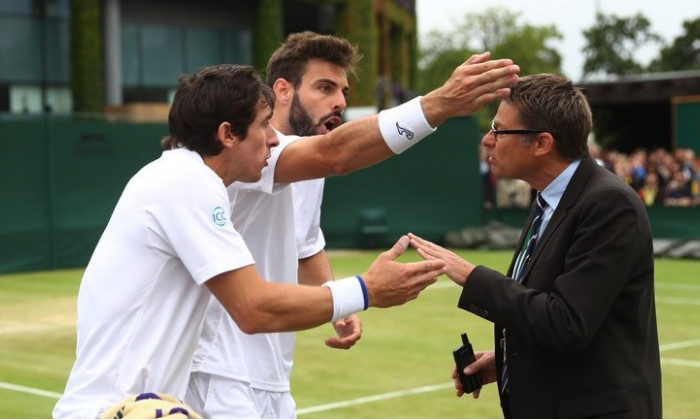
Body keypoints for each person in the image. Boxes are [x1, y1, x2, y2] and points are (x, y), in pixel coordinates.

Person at [54, 51, 520, 418]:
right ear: (227, 134)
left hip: (147, 406)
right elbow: (253, 308)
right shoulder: (186, 181)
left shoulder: (195, 177)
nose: (274, 139)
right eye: (263, 128)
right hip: (117, 409)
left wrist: (345, 293)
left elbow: (305, 242)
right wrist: (364, 290)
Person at [409, 74, 662, 418]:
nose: (487, 140)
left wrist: (471, 277)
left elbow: (566, 323)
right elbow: (546, 312)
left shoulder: (608, 204)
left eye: (499, 130)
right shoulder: (551, 199)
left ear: (542, 143)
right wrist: (505, 362)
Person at [187, 32, 363, 418]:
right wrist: (437, 106)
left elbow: (306, 244)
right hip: (217, 367)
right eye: (325, 87)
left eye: (343, 91)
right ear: (283, 89)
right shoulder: (253, 151)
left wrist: (338, 305)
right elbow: (338, 154)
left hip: (271, 371)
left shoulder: (312, 161)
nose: (340, 102)